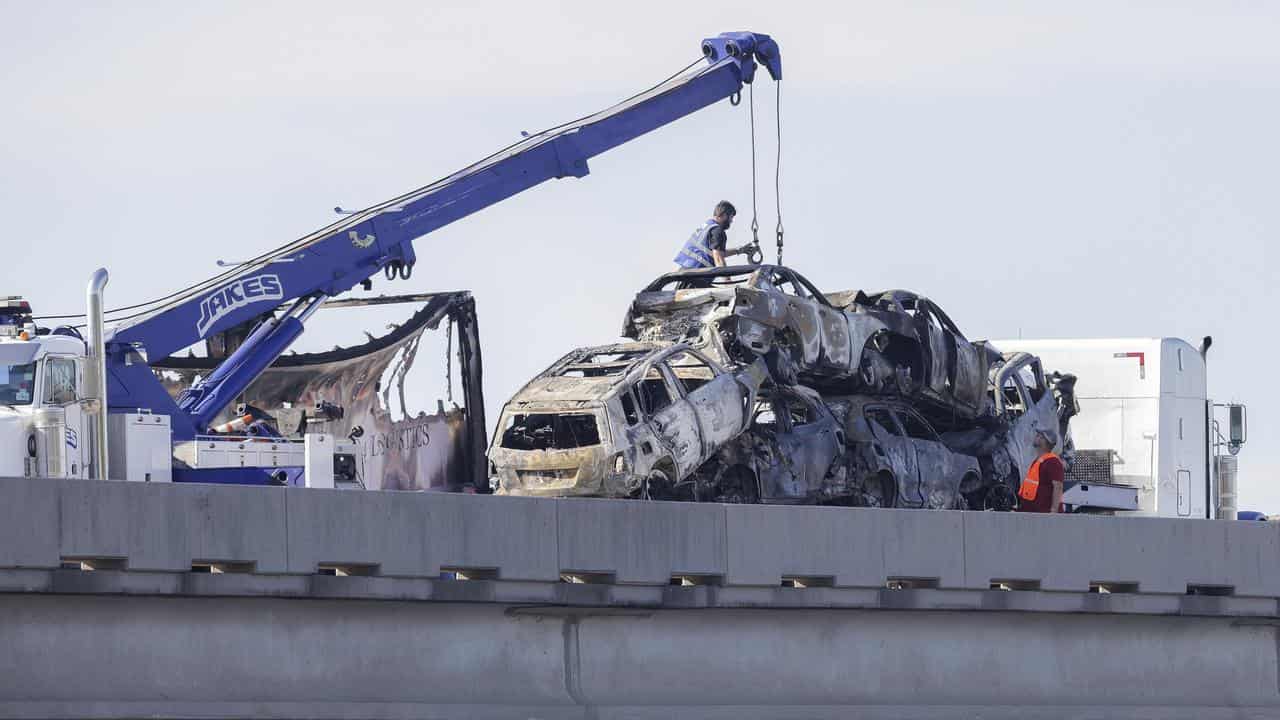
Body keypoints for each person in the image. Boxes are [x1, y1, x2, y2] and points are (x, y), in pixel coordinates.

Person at [673, 201, 757, 269]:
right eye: (731, 217)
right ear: (724, 215)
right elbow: (718, 259)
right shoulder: (718, 231)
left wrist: (739, 250)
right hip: (696, 275)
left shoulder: (707, 226)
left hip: (686, 271)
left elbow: (715, 253)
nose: (731, 221)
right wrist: (727, 281)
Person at [1016, 426, 1065, 513]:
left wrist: (1053, 511)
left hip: (1043, 516)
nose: (1036, 436)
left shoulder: (1053, 462)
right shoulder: (1039, 461)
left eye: (1039, 436)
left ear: (1045, 441)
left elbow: (1058, 486)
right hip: (1033, 514)